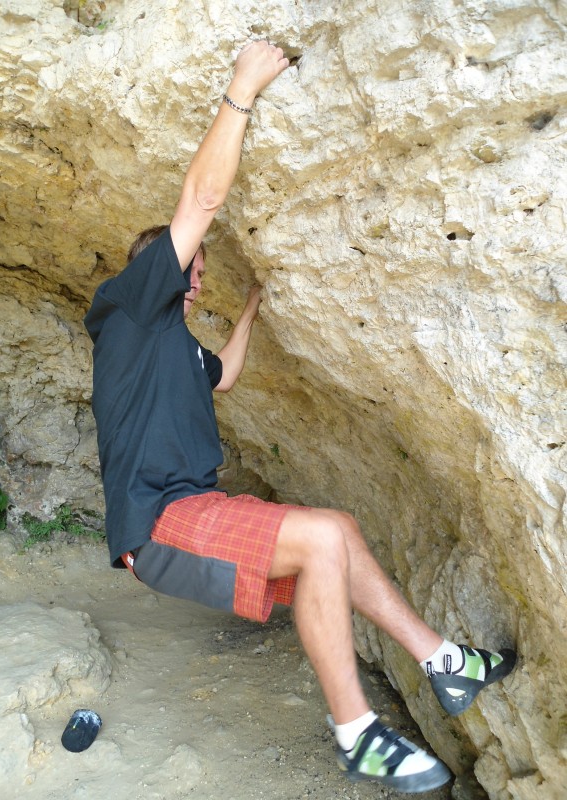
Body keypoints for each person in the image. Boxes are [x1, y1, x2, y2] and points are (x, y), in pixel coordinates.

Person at [84, 41, 516, 794]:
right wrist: (241, 89)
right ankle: (358, 735)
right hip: (158, 521)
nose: (196, 282)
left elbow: (225, 376)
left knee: (339, 532)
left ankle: (444, 664)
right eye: (192, 270)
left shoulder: (175, 350)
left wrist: (249, 307)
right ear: (158, 269)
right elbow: (201, 202)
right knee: (319, 538)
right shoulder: (127, 308)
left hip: (195, 508)